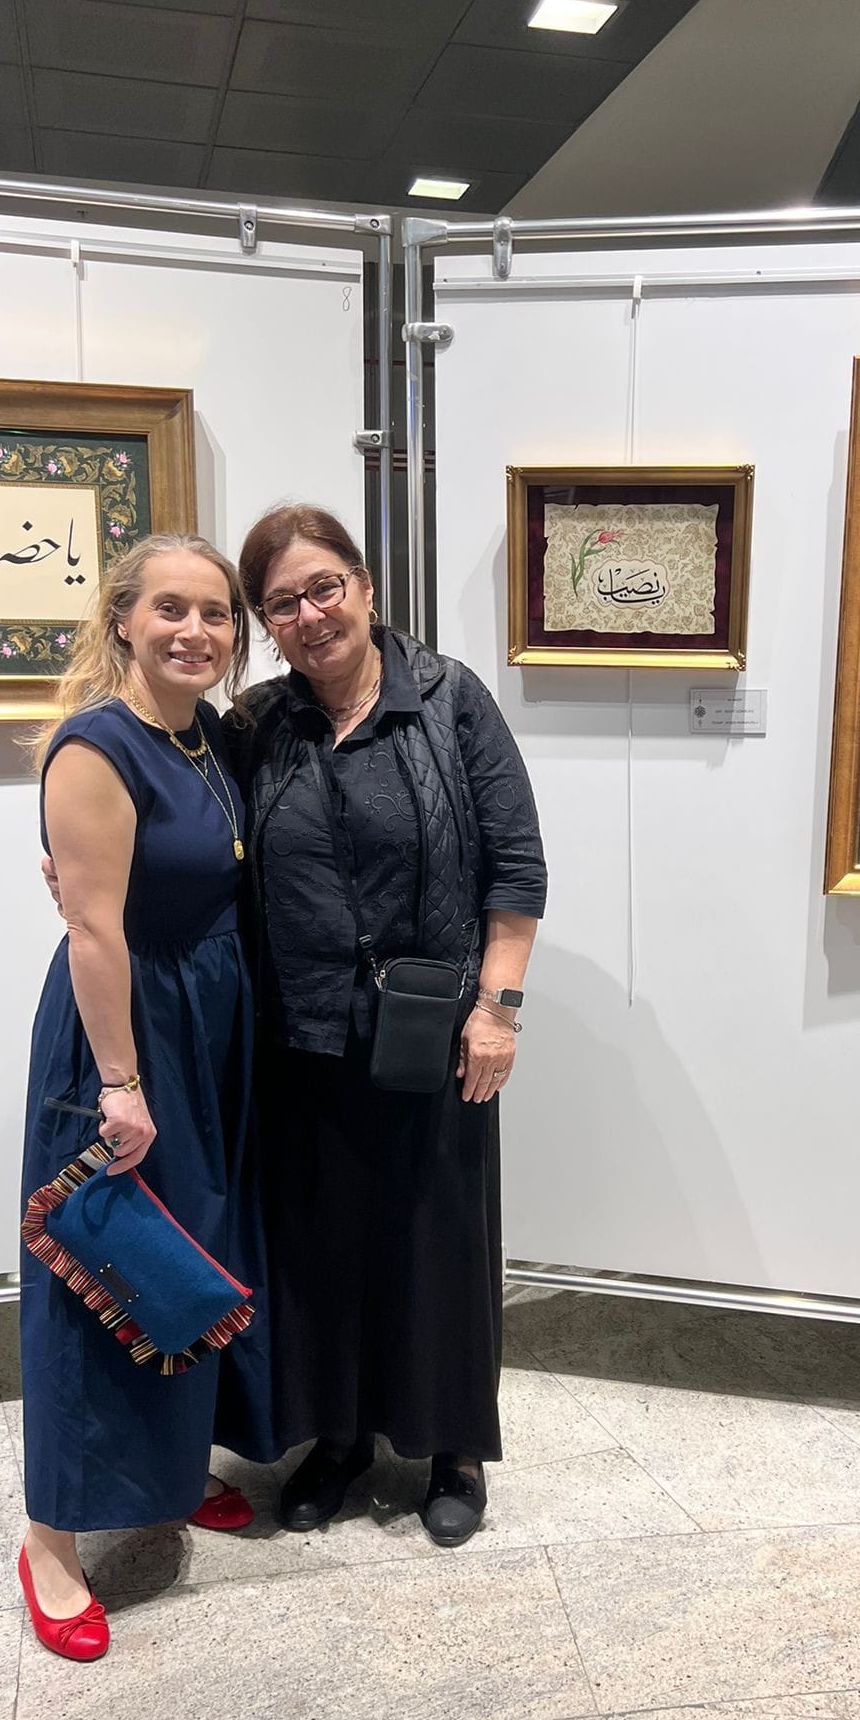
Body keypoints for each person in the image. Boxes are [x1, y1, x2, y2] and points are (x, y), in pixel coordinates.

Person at [226, 503, 546, 1545]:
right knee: (321, 1248)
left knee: (439, 1241)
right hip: (301, 1038)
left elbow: (517, 864)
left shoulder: (451, 698)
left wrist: (497, 1009)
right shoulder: (258, 723)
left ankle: (453, 1449)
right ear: (265, 623)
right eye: (282, 603)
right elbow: (182, 814)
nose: (310, 614)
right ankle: (339, 1439)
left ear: (365, 587)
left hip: (434, 1035)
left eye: (325, 587)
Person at [18, 533, 275, 1660]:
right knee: (101, 1271)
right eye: (170, 608)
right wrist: (121, 1083)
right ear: (121, 616)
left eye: (216, 613)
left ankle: (170, 1471)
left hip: (208, 1022)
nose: (195, 631)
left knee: (191, 1255)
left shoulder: (210, 734)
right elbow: (92, 929)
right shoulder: (96, 746)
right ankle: (50, 1540)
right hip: (124, 1037)